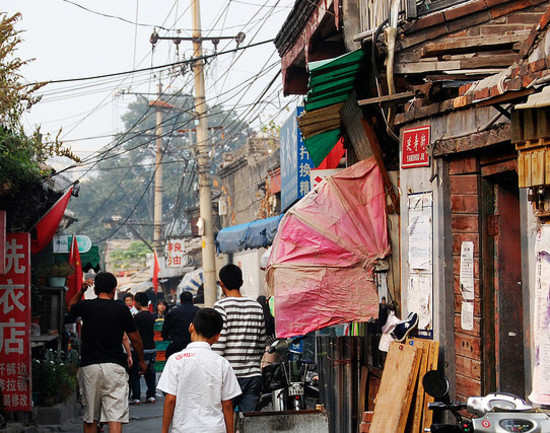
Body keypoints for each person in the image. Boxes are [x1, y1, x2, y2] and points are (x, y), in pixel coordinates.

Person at [68, 272, 146, 433]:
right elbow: (136, 339)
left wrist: (81, 291)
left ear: (95, 289)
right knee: (115, 416)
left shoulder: (86, 306)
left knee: (91, 417)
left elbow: (71, 307)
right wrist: (141, 360)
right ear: (114, 289)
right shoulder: (121, 308)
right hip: (114, 366)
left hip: (89, 367)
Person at [158, 308, 241, 433]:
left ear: (191, 327)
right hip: (215, 429)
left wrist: (164, 430)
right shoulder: (222, 363)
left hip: (184, 429)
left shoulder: (176, 360)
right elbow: (227, 404)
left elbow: (170, 399)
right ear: (217, 337)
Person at [213, 264, 266, 413]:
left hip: (229, 376)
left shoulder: (221, 306)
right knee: (248, 422)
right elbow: (261, 344)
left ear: (222, 283)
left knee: (226, 423)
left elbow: (219, 346)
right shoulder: (256, 306)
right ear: (241, 282)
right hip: (253, 376)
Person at [129, 292, 157, 404]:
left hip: (139, 348)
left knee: (135, 372)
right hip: (151, 347)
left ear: (138, 303)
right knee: (150, 372)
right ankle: (151, 395)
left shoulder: (137, 317)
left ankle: (136, 397)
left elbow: (134, 334)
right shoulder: (152, 316)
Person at [162, 291, 199, 359]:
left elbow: (165, 330)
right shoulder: (199, 311)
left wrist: (166, 337)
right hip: (195, 347)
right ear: (192, 300)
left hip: (177, 347)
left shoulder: (173, 312)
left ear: (181, 300)